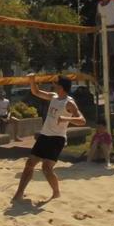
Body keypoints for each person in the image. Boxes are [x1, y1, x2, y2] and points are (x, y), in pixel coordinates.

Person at [12, 74, 85, 202]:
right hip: (44, 136)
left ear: (61, 87)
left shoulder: (69, 103)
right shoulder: (53, 96)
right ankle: (19, 193)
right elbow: (36, 92)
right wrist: (32, 80)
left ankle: (56, 193)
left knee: (46, 168)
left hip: (57, 139)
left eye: (55, 83)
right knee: (29, 164)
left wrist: (66, 118)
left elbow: (82, 121)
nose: (53, 84)